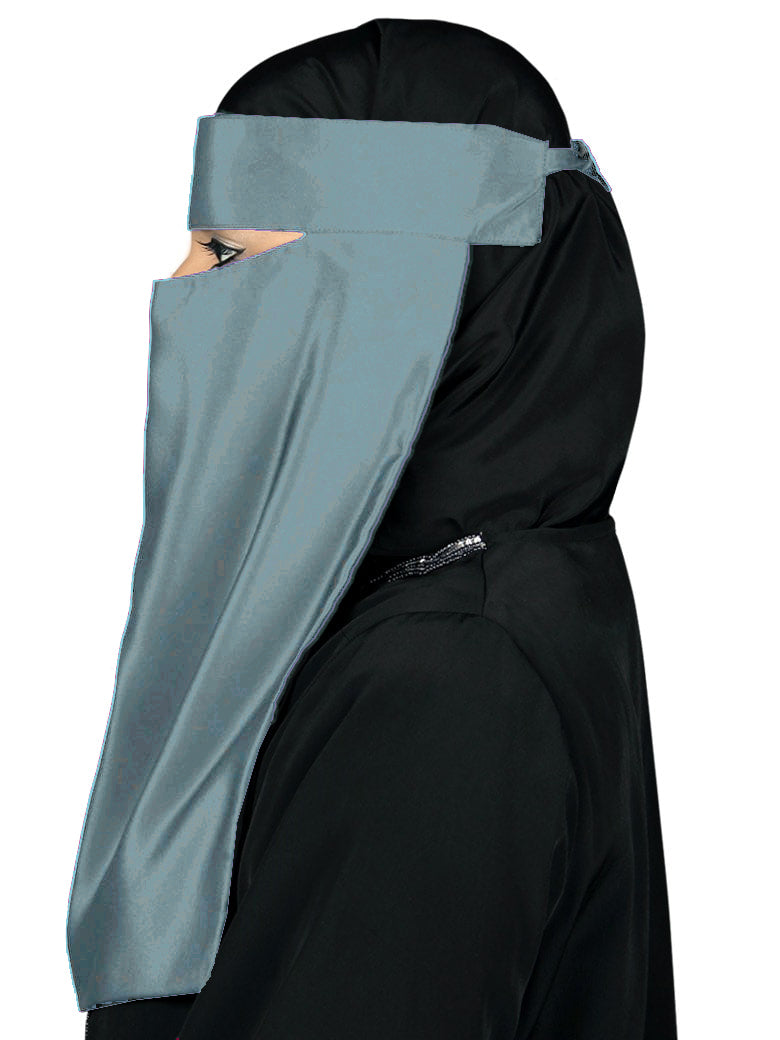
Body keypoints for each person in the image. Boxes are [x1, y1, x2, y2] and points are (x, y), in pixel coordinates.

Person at [82, 17, 678, 1040]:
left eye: (224, 251)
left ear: (389, 294)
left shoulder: (448, 676)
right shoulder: (482, 572)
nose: (178, 286)